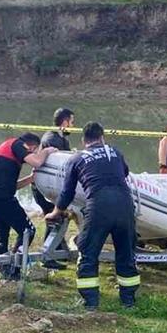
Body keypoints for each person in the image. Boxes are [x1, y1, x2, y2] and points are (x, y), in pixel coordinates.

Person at [47, 122, 138, 310]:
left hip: (99, 208)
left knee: (88, 253)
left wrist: (56, 212)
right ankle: (128, 301)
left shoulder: (76, 159)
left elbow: (67, 192)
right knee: (126, 253)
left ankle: (91, 303)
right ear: (102, 137)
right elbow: (125, 173)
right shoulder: (115, 152)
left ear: (83, 140)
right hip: (125, 205)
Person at [0, 133, 55, 278]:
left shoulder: (6, 153)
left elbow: (12, 186)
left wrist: (31, 179)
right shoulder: (16, 144)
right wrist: (46, 151)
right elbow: (37, 162)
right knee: (28, 231)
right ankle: (15, 266)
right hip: (0, 198)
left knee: (2, 229)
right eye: (34, 150)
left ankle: (4, 265)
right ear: (31, 146)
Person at [31, 107, 74, 270]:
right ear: (65, 122)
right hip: (43, 186)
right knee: (55, 217)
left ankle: (58, 249)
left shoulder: (60, 138)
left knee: (60, 217)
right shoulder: (52, 138)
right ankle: (48, 257)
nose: (72, 125)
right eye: (72, 122)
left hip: (52, 185)